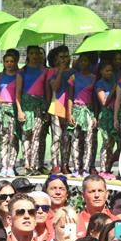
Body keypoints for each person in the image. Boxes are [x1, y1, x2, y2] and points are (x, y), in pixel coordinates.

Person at [0, 48, 26, 178]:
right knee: (3, 140)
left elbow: (19, 94)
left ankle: (11, 166)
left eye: (12, 61)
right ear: (3, 62)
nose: (9, 63)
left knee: (13, 139)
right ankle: (3, 167)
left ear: (16, 62)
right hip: (1, 110)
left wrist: (19, 111)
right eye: (7, 61)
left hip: (13, 109)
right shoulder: (0, 77)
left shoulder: (19, 75)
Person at [19, 46, 48, 176]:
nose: (35, 56)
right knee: (26, 135)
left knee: (37, 135)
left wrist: (47, 109)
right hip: (26, 105)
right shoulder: (22, 71)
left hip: (39, 106)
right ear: (28, 55)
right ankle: (26, 164)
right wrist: (20, 110)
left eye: (37, 53)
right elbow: (17, 93)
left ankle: (34, 164)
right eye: (32, 53)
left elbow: (47, 91)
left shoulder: (44, 71)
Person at [47, 46, 73, 175]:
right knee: (56, 138)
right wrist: (61, 71)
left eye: (66, 56)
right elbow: (55, 87)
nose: (64, 59)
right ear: (56, 59)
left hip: (69, 109)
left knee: (67, 138)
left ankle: (65, 164)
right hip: (56, 107)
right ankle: (55, 165)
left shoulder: (74, 72)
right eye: (61, 57)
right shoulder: (53, 72)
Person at [95, 62, 121, 178]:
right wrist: (114, 89)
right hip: (106, 116)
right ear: (101, 71)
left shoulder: (113, 82)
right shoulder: (100, 84)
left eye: (111, 71)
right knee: (107, 143)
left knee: (114, 143)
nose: (109, 73)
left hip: (116, 115)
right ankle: (103, 169)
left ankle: (108, 167)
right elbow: (104, 102)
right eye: (107, 71)